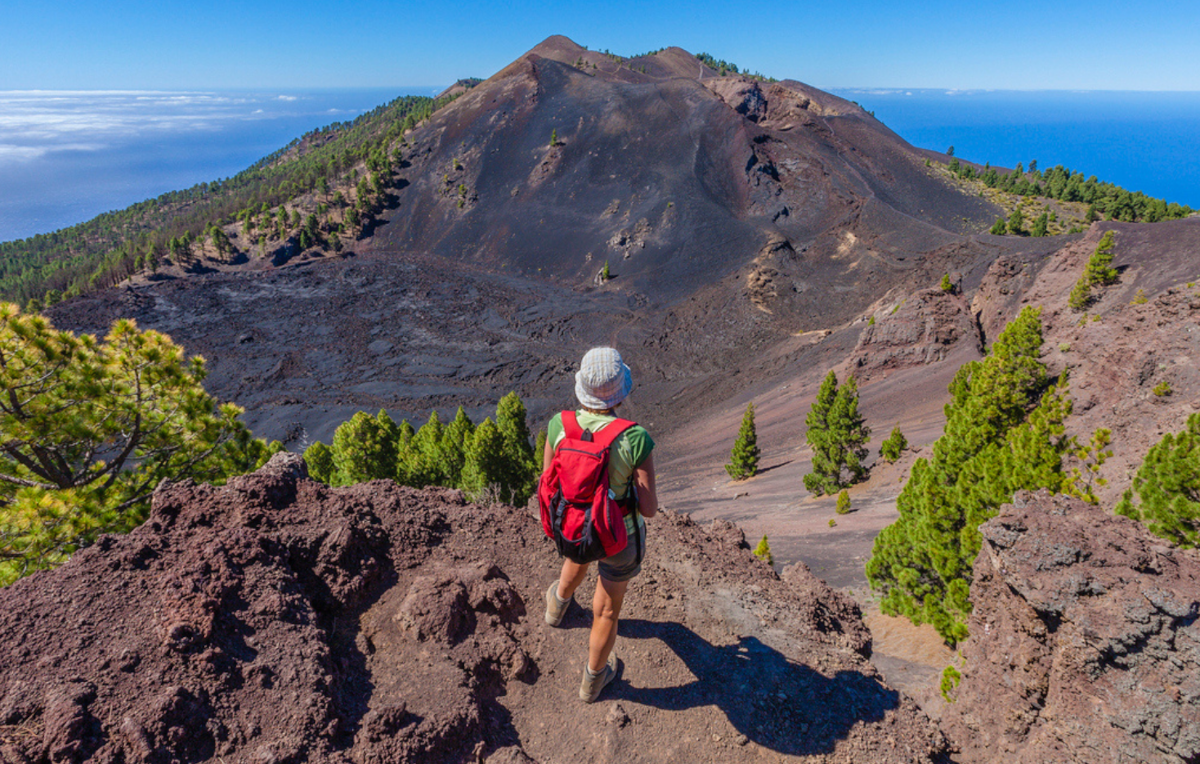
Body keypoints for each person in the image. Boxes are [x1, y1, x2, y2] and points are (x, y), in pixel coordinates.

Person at [542, 347, 658, 703]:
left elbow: (548, 479)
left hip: (574, 525)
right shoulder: (635, 438)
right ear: (620, 390)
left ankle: (557, 609)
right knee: (607, 609)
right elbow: (649, 508)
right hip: (617, 535)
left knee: (578, 555)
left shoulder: (559, 424)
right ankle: (593, 681)